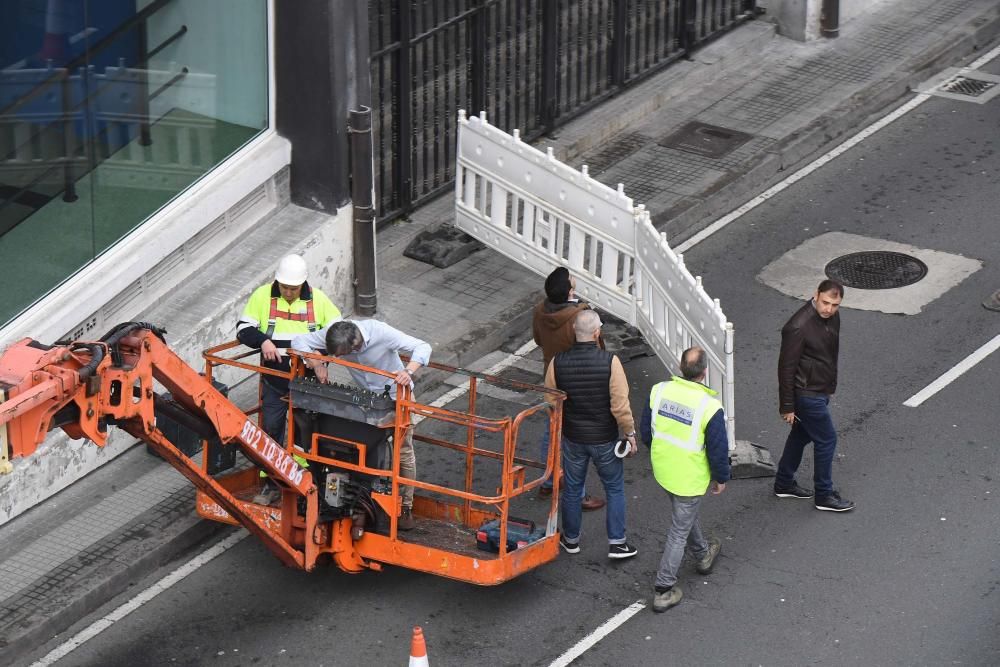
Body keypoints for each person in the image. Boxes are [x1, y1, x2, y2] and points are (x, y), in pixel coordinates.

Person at [292, 319, 431, 531]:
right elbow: (299, 340)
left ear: (356, 344)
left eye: (342, 354)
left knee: (403, 452)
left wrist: (408, 371)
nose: (338, 358)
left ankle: (406, 506)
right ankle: (361, 499)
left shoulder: (381, 333)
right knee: (366, 449)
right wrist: (316, 362)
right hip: (368, 402)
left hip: (398, 398)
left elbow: (423, 346)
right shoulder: (336, 330)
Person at [545, 309, 638, 560]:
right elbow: (619, 405)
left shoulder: (557, 362)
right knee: (614, 488)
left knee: (573, 489)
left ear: (575, 331)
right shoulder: (610, 362)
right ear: (597, 332)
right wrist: (630, 434)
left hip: (573, 438)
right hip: (604, 438)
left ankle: (571, 539)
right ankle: (617, 543)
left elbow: (551, 401)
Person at [643, 347, 730, 612]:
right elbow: (717, 449)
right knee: (679, 530)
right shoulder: (709, 407)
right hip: (689, 477)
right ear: (705, 373)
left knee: (684, 516)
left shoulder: (658, 391)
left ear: (681, 368)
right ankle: (663, 589)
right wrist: (721, 477)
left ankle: (703, 553)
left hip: (664, 469)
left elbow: (647, 432)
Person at [236, 254, 342, 443]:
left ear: (303, 283)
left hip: (307, 380)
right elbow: (243, 329)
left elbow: (339, 332)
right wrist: (263, 341)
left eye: (293, 288)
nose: (288, 292)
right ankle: (269, 469)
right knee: (271, 425)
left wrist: (321, 355)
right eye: (284, 287)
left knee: (305, 427)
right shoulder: (262, 295)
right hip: (274, 378)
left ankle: (301, 466)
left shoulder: (318, 299)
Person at [774, 279, 854, 512]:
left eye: (835, 304)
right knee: (826, 440)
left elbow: (827, 355)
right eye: (825, 302)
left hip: (819, 388)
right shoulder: (798, 326)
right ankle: (824, 495)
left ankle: (784, 482)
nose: (829, 309)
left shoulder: (832, 317)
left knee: (801, 435)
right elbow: (786, 369)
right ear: (815, 295)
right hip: (807, 394)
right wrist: (787, 406)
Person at [532, 266, 605, 511]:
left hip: (552, 378)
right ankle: (580, 495)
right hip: (579, 383)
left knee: (550, 431)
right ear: (570, 292)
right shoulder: (579, 316)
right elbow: (596, 349)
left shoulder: (540, 311)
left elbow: (538, 340)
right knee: (575, 443)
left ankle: (549, 480)